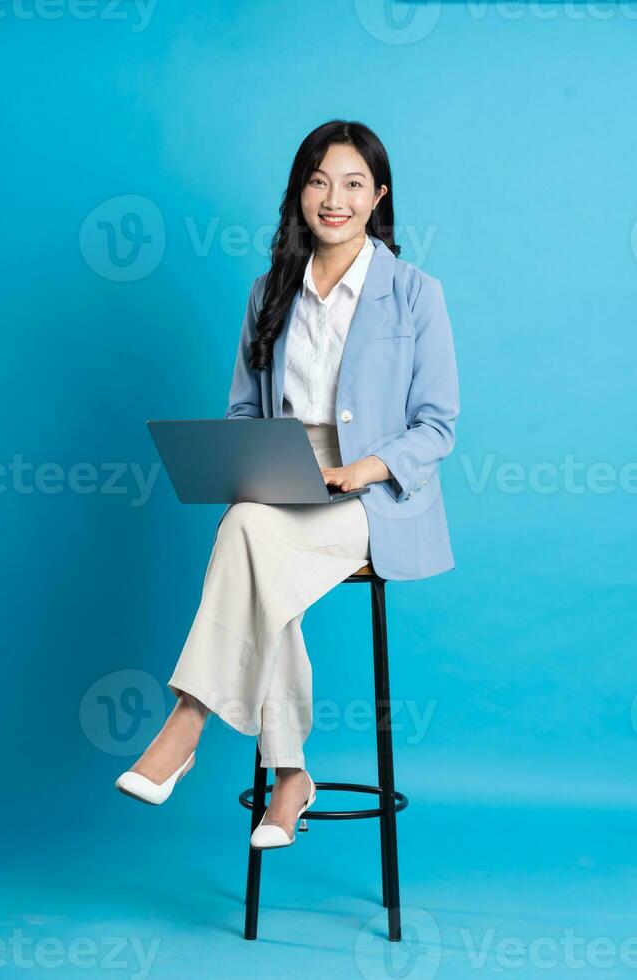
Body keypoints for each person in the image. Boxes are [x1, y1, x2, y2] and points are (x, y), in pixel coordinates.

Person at [115, 119, 460, 850]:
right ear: (300, 191)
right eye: (317, 180)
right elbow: (243, 411)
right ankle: (290, 777)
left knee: (248, 538)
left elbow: (437, 425)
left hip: (373, 500)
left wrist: (361, 470)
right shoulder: (270, 290)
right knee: (251, 526)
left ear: (378, 197)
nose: (333, 198)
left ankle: (189, 723)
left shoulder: (415, 293)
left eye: (352, 184)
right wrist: (256, 465)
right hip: (284, 490)